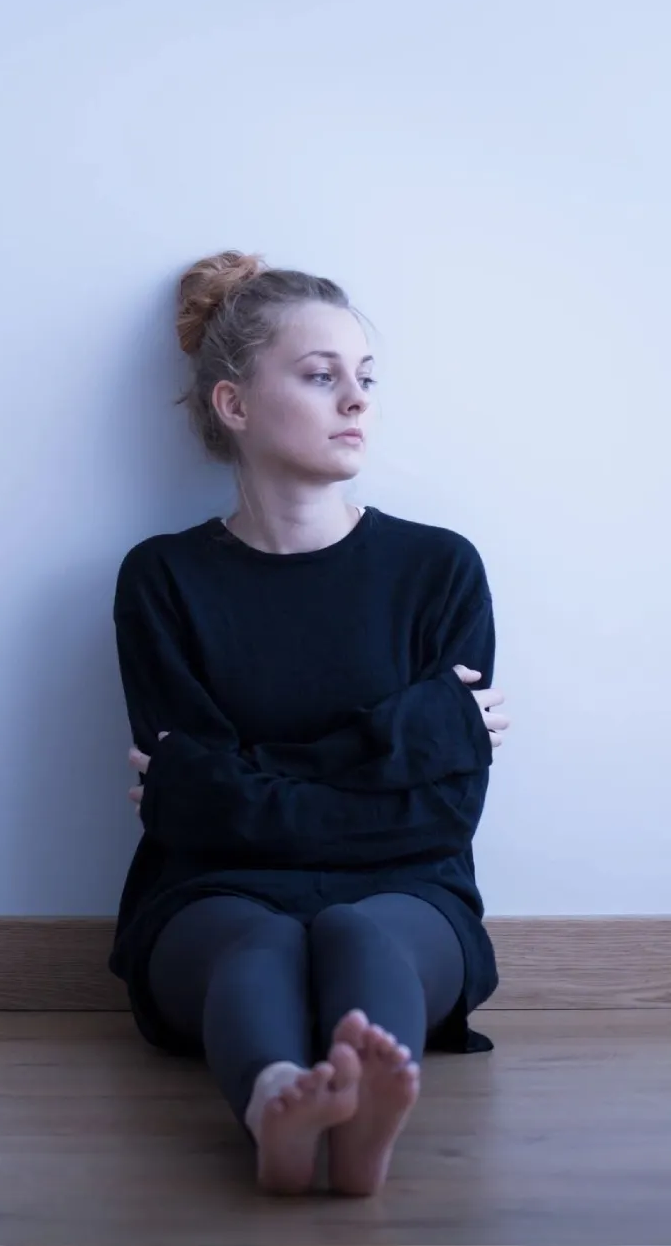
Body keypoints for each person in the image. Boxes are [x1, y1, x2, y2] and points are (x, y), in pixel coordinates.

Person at [108, 251, 510, 1196]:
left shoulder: (440, 571)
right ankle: (278, 1102)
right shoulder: (162, 580)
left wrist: (242, 778)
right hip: (211, 896)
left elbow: (441, 818)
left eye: (364, 379)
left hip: (412, 892)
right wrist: (400, 740)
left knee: (356, 934)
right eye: (321, 376)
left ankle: (365, 1112)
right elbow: (190, 823)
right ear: (234, 405)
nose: (356, 401)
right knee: (265, 942)